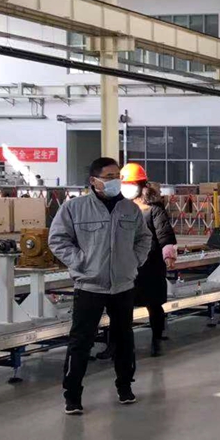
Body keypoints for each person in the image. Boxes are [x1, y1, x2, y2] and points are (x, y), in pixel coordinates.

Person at [49, 157, 152, 415]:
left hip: (122, 286)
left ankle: (125, 387)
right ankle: (72, 395)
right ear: (94, 181)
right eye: (109, 177)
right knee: (81, 342)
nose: (115, 181)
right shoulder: (75, 208)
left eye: (118, 176)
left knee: (124, 339)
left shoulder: (130, 209)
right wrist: (80, 262)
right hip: (89, 286)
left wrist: (133, 262)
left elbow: (144, 239)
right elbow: (58, 239)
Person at [120, 163, 177, 357]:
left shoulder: (154, 209)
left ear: (141, 185)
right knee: (121, 306)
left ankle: (156, 339)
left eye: (130, 184)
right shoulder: (120, 208)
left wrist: (168, 254)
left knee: (153, 304)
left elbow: (164, 233)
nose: (126, 188)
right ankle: (118, 344)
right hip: (126, 266)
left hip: (150, 265)